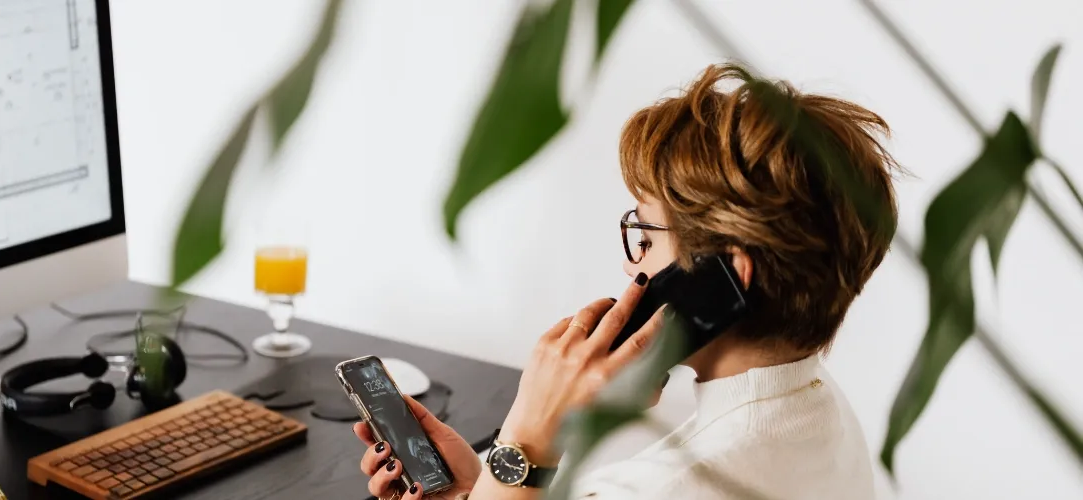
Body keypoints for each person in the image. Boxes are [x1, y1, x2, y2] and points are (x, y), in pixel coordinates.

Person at [353, 62, 900, 499]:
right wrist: (487, 486)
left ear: (726, 275)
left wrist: (525, 437)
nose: (630, 266)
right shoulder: (819, 408)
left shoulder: (658, 487)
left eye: (645, 236)